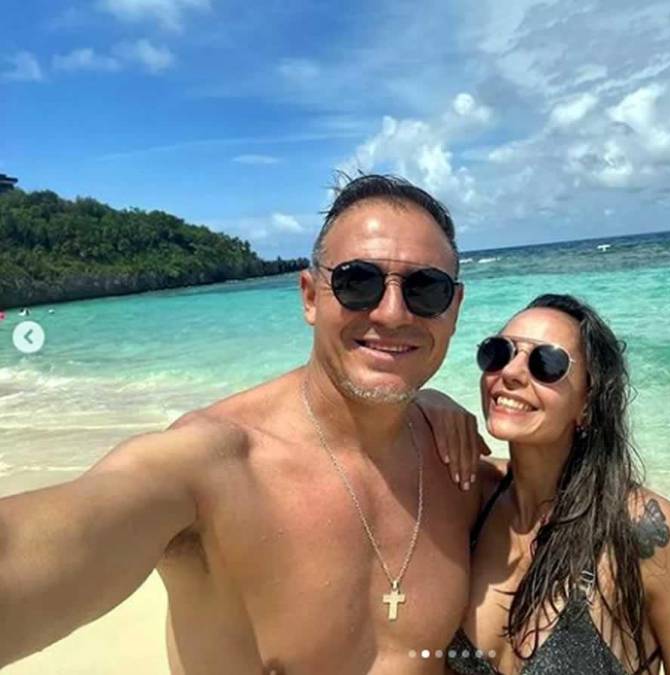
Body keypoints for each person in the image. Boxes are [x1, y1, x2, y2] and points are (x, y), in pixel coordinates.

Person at [0, 175, 491, 674]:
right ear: (310, 297)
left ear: (454, 309)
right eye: (357, 282)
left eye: (426, 289)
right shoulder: (210, 468)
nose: (392, 313)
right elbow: (44, 541)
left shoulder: (457, 467)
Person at [445, 294, 670, 675]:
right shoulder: (469, 496)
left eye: (546, 363)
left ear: (589, 402)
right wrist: (429, 404)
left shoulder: (642, 532)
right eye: (498, 352)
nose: (511, 372)